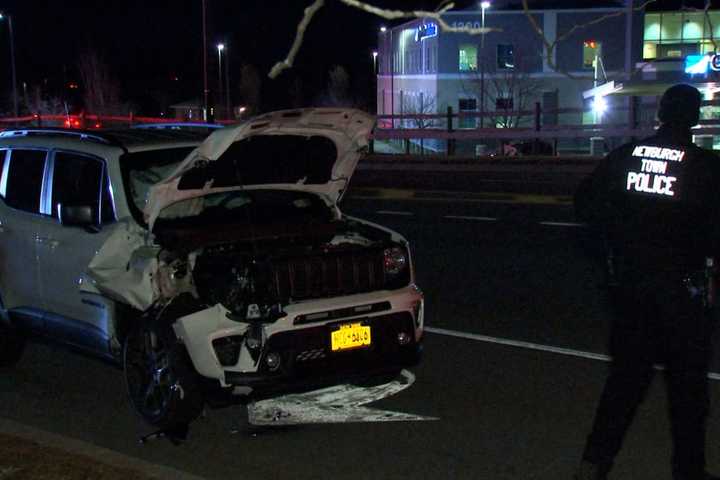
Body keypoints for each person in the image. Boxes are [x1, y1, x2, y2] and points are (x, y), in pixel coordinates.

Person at [573, 84, 720, 480]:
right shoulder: (706, 166)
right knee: (689, 396)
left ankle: (593, 464)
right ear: (695, 117)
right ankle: (689, 471)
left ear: (660, 113)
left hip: (633, 293)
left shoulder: (626, 157)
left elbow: (585, 205)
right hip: (683, 298)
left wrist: (612, 260)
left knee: (622, 388)